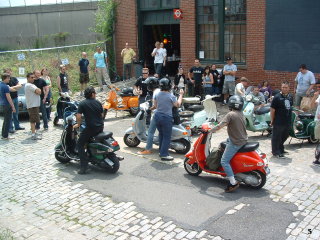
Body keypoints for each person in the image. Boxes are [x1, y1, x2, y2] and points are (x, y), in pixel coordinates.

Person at [209, 95, 248, 192]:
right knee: (224, 142)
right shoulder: (240, 113)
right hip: (242, 139)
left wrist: (209, 131)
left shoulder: (230, 114)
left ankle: (232, 182)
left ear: (230, 105)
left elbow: (220, 126)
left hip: (236, 142)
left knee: (224, 161)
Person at [74, 86, 104, 174]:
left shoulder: (82, 104)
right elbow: (101, 115)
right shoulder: (98, 102)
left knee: (79, 144)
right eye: (95, 93)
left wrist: (79, 124)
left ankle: (84, 166)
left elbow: (78, 116)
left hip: (91, 128)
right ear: (92, 94)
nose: (95, 94)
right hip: (100, 127)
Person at [153, 78, 184, 161]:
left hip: (157, 116)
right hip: (166, 118)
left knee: (161, 134)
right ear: (169, 86)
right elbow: (177, 105)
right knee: (167, 136)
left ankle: (161, 151)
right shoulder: (171, 96)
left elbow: (155, 106)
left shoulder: (157, 94)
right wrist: (181, 95)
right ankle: (164, 154)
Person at [270, 81, 293, 158]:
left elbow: (290, 107)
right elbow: (272, 109)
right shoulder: (277, 97)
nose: (284, 89)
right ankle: (275, 152)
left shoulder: (290, 96)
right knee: (276, 136)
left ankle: (281, 149)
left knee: (285, 135)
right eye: (283, 87)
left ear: (289, 88)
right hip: (279, 121)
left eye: (286, 87)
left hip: (287, 120)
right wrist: (272, 120)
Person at [137, 77, 160, 155]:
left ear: (151, 85)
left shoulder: (155, 93)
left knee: (150, 132)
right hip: (165, 114)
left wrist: (149, 109)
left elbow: (155, 106)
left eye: (148, 85)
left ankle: (148, 149)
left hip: (158, 114)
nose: (147, 86)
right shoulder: (160, 90)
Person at [3, 68, 24, 133]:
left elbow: (20, 85)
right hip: (9, 99)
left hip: (15, 97)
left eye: (10, 71)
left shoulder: (14, 79)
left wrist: (13, 87)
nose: (9, 73)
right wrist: (15, 87)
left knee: (16, 113)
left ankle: (17, 126)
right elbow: (9, 89)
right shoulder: (5, 81)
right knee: (10, 114)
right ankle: (10, 128)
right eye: (7, 72)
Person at [24, 73, 42, 140]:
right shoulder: (29, 85)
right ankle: (33, 134)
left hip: (34, 105)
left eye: (34, 77)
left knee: (35, 119)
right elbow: (39, 91)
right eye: (31, 77)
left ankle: (34, 132)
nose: (33, 78)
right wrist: (38, 89)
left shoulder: (32, 85)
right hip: (32, 105)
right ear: (28, 78)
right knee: (33, 120)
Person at [0, 73, 16, 140]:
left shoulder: (0, 85)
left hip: (2, 104)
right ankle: (5, 136)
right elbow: (8, 97)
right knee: (8, 120)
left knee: (5, 120)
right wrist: (13, 107)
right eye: (9, 78)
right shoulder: (5, 86)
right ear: (5, 78)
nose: (9, 79)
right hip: (7, 104)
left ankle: (3, 134)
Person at [311, 80, 320, 165]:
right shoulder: (319, 96)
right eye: (317, 87)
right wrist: (314, 96)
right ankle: (317, 158)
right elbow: (312, 106)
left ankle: (317, 158)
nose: (318, 89)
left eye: (319, 87)